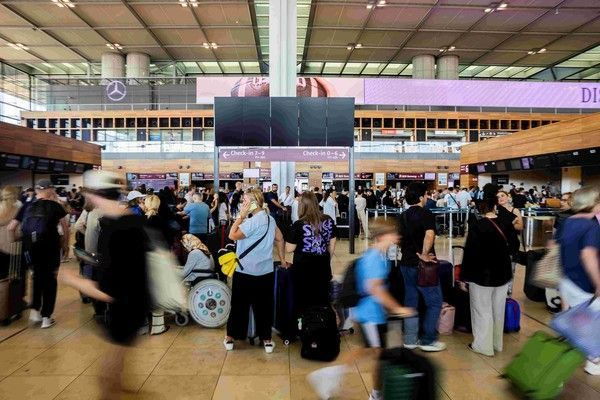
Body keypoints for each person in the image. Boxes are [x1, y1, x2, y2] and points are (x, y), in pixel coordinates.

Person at [60, 170, 150, 398]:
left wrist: (73, 280)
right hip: (139, 301)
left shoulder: (112, 229)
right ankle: (122, 388)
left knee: (109, 366)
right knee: (120, 355)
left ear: (92, 194)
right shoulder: (131, 218)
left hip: (125, 306)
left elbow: (109, 290)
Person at [307, 220, 415, 400]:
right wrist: (398, 309)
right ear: (382, 237)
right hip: (370, 316)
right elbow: (375, 289)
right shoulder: (374, 258)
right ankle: (375, 394)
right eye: (393, 234)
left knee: (366, 350)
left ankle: (329, 376)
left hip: (372, 314)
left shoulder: (379, 256)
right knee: (378, 356)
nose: (397, 237)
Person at [224, 188, 288, 353]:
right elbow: (280, 239)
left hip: (245, 271)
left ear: (254, 203)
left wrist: (241, 216)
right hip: (265, 272)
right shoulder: (270, 220)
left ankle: (231, 337)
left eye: (245, 201)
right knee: (264, 307)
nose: (242, 204)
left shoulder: (250, 222)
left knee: (239, 305)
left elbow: (232, 235)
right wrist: (282, 260)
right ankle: (266, 340)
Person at [459, 185, 513, 357]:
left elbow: (470, 253)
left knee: (482, 310)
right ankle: (497, 343)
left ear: (479, 207)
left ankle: (483, 346)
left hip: (482, 275)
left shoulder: (478, 226)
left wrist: (463, 277)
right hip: (503, 273)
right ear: (495, 204)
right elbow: (514, 246)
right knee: (498, 310)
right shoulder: (505, 223)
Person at [7, 179, 68, 329]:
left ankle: (35, 311)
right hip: (51, 247)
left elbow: (11, 228)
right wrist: (65, 245)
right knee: (50, 280)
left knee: (37, 277)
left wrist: (17, 241)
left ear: (36, 191)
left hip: (30, 249)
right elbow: (65, 227)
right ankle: (47, 317)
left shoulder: (26, 206)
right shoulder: (55, 206)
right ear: (49, 190)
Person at [556, 187, 600, 375]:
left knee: (576, 321)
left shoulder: (569, 221)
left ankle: (563, 359)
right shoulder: (590, 225)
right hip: (583, 283)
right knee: (592, 322)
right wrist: (598, 282)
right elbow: (588, 255)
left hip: (568, 279)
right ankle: (594, 361)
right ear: (592, 202)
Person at [397, 182, 446, 352]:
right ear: (420, 197)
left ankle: (410, 339)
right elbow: (430, 234)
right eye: (425, 195)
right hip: (423, 267)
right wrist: (424, 254)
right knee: (434, 302)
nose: (426, 198)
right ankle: (428, 340)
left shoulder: (402, 216)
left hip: (406, 263)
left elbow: (398, 239)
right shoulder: (426, 214)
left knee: (410, 301)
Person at [286, 192, 337, 313]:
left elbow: (289, 248)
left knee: (303, 300)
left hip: (303, 268)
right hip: (323, 266)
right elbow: (332, 244)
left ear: (302, 206)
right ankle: (322, 325)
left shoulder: (298, 224)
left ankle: (305, 327)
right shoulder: (328, 220)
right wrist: (326, 259)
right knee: (322, 298)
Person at [0, 187, 21, 280]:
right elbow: (19, 232)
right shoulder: (18, 209)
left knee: (2, 278)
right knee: (14, 278)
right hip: (14, 248)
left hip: (1, 246)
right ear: (15, 196)